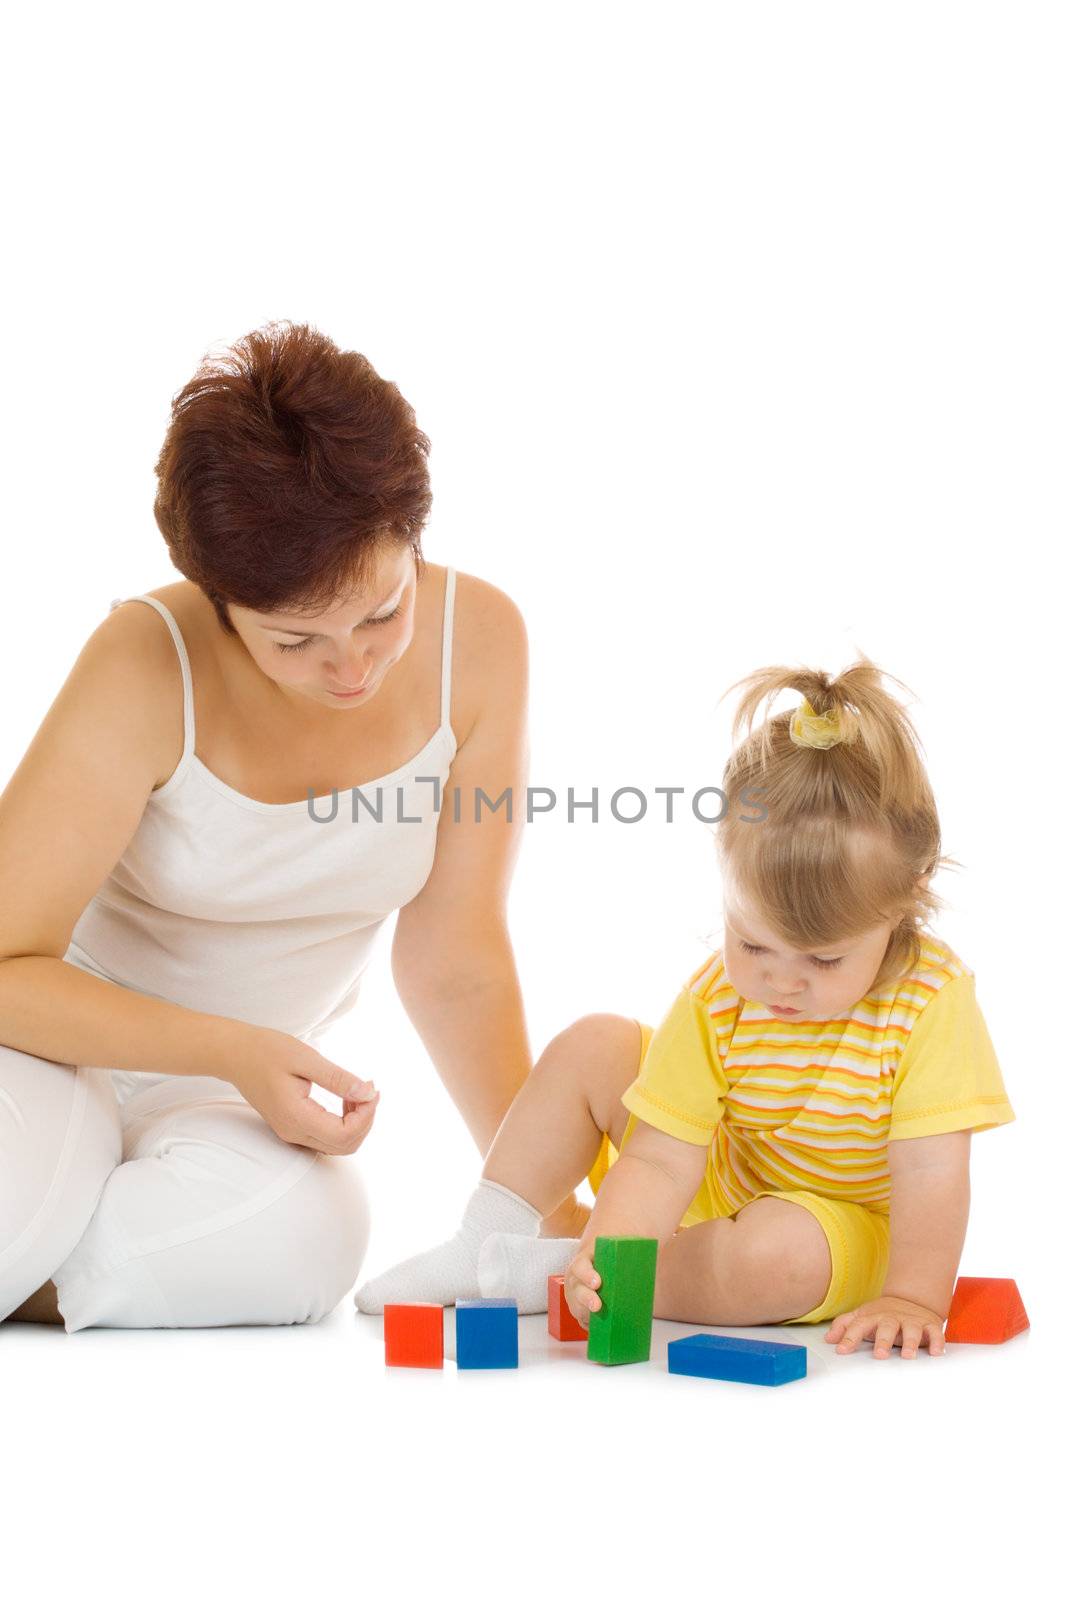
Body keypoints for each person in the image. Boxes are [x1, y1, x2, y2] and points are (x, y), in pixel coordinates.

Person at [0, 320, 581, 1333]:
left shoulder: (480, 646)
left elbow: (456, 962)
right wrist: (228, 1047)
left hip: (226, 1097)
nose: (352, 667)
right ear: (222, 604)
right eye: (296, 639)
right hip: (45, 1048)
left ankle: (39, 1267)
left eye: (380, 614)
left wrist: (542, 1206)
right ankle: (49, 1234)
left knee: (310, 1237)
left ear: (415, 541)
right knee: (34, 1176)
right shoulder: (145, 661)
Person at [354, 657, 1015, 1360]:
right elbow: (663, 1162)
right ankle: (486, 1240)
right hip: (712, 1184)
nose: (780, 983)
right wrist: (620, 1240)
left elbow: (930, 1173)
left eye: (824, 960)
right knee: (596, 1045)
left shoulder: (929, 1001)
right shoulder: (719, 998)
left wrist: (914, 1295)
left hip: (837, 1231)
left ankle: (550, 1272)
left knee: (773, 1256)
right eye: (753, 942)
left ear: (908, 898)